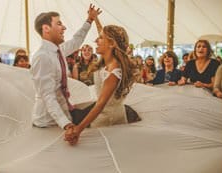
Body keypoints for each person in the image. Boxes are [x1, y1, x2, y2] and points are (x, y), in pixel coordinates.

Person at [30, 5, 101, 138]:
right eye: (59, 24)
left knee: (100, 110)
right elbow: (48, 96)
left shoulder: (58, 50)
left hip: (65, 113)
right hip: (49, 123)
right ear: (46, 28)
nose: (64, 28)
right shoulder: (42, 57)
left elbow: (76, 41)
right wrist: (66, 124)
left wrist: (89, 20)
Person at [66, 23, 141, 145]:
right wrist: (95, 19)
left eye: (100, 38)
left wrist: (78, 129)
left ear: (111, 44)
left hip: (107, 121)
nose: (96, 40)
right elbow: (108, 35)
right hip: (112, 114)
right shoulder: (109, 63)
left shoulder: (113, 71)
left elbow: (100, 104)